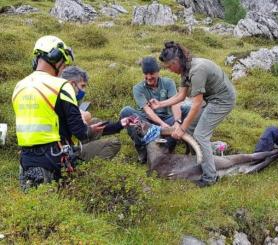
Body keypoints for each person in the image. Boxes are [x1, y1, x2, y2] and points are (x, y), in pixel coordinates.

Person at [12, 36, 129, 191]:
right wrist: (90, 128)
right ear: (56, 57)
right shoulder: (61, 85)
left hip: (26, 159)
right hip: (54, 157)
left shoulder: (19, 86)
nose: (63, 68)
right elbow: (80, 132)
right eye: (64, 63)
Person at [149, 41, 236, 187]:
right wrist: (160, 104)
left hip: (223, 100)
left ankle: (210, 177)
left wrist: (181, 128)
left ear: (176, 61)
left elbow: (195, 105)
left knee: (201, 135)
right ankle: (199, 159)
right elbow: (181, 96)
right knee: (191, 129)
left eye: (170, 66)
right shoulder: (185, 70)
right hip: (210, 99)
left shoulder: (197, 70)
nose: (169, 70)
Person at [120, 56, 190, 163]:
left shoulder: (168, 83)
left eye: (151, 73)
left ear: (158, 72)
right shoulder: (138, 88)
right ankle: (141, 149)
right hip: (147, 122)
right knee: (126, 112)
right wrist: (161, 124)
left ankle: (169, 145)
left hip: (167, 119)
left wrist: (177, 121)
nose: (148, 77)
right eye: (146, 74)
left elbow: (175, 104)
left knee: (187, 109)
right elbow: (147, 110)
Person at [60, 66, 128, 162]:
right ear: (72, 84)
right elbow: (81, 132)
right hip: (60, 152)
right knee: (114, 143)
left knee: (95, 122)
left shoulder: (56, 97)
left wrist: (119, 124)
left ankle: (83, 154)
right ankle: (82, 166)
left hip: (60, 146)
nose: (84, 91)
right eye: (82, 86)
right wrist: (85, 120)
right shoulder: (67, 101)